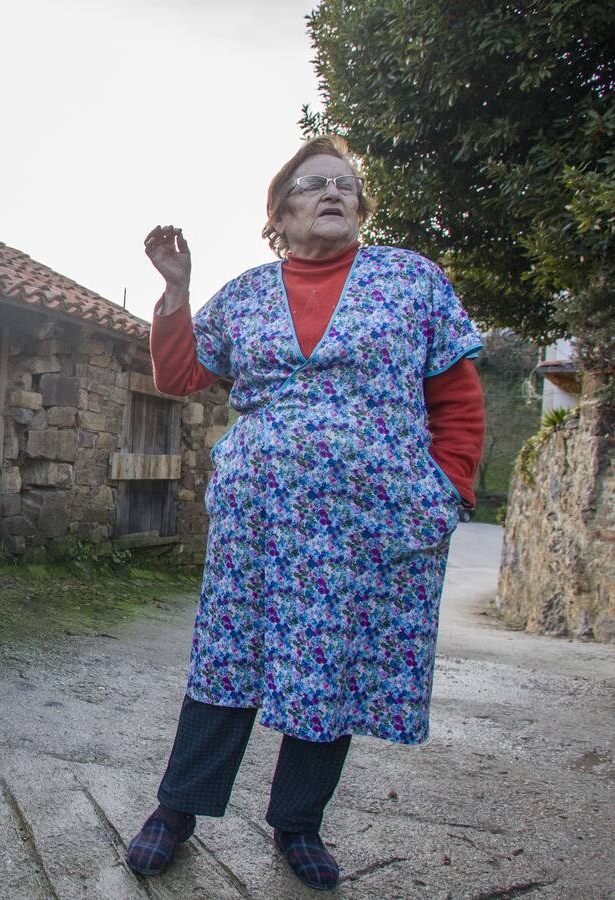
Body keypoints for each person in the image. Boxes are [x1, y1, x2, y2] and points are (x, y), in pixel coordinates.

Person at [125, 136, 485, 891]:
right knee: (230, 657)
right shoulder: (249, 293)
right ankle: (177, 810)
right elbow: (182, 373)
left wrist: (447, 492)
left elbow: (456, 396)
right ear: (279, 213)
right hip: (259, 522)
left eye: (347, 186)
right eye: (314, 183)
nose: (335, 192)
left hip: (374, 523)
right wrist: (177, 292)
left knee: (337, 665)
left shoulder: (411, 281)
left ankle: (298, 823)